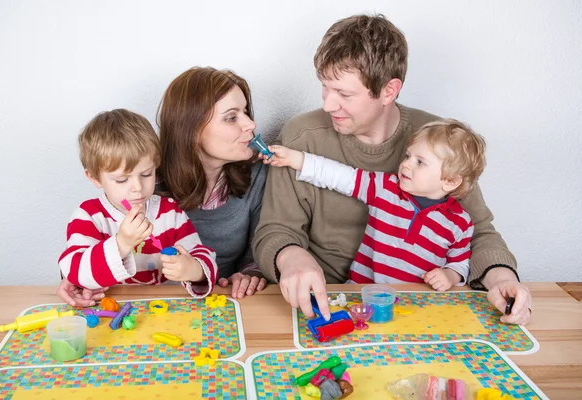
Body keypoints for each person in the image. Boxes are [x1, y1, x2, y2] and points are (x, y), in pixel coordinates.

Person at [253, 14, 532, 325]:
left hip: (419, 306)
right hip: (329, 299)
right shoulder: (301, 136)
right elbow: (275, 231)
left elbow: (478, 232)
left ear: (389, 91)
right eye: (325, 87)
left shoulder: (438, 140)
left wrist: (503, 280)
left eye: (344, 94)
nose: (329, 105)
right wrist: (292, 258)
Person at [265, 119, 485, 292]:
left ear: (450, 181)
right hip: (362, 295)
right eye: (408, 156)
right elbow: (340, 176)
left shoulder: (460, 223)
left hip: (418, 306)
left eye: (420, 162)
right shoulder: (385, 188)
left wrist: (449, 275)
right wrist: (295, 159)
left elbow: (460, 263)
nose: (406, 164)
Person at [57, 109, 217, 303]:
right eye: (122, 179)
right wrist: (121, 243)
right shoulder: (89, 216)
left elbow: (204, 255)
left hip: (166, 311)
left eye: (147, 174)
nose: (137, 188)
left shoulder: (170, 212)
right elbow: (74, 271)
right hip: (110, 313)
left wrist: (194, 270)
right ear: (94, 177)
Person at [157, 67, 268, 299]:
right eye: (231, 117)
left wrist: (249, 274)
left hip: (222, 304)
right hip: (160, 307)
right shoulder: (145, 182)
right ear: (192, 130)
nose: (250, 125)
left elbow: (257, 252)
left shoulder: (257, 174)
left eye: (246, 112)